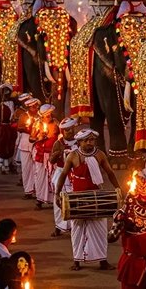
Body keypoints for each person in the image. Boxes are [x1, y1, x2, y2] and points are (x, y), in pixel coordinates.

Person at [55, 129, 121, 271]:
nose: (91, 143)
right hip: (77, 197)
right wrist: (57, 194)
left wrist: (118, 188)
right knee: (77, 230)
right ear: (79, 142)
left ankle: (102, 260)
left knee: (100, 229)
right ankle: (77, 261)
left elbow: (110, 172)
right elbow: (63, 175)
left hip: (96, 195)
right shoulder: (72, 156)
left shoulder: (99, 154)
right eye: (87, 141)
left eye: (92, 140)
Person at [50, 117, 79, 237]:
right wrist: (59, 153)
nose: (70, 132)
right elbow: (52, 160)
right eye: (67, 130)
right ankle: (59, 226)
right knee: (59, 202)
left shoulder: (79, 142)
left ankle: (74, 226)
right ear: (63, 132)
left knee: (73, 201)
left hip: (75, 174)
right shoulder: (58, 143)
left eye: (71, 129)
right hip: (61, 174)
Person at [32, 104, 58, 209]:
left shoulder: (56, 123)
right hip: (40, 154)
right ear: (42, 116)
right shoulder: (37, 124)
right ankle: (39, 199)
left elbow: (61, 136)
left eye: (50, 114)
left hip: (52, 154)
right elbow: (31, 138)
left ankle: (53, 200)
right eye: (47, 115)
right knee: (40, 177)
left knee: (52, 177)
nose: (49, 117)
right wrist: (40, 138)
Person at [16, 96, 40, 200]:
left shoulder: (40, 116)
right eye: (33, 107)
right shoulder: (23, 116)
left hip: (37, 144)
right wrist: (28, 129)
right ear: (29, 107)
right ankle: (28, 190)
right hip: (25, 144)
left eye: (36, 106)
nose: (35, 109)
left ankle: (37, 190)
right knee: (26, 168)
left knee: (36, 168)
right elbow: (19, 127)